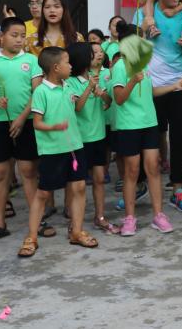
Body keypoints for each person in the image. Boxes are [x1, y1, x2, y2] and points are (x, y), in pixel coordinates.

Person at [18, 47, 97, 257]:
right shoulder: (41, 92)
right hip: (52, 150)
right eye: (67, 62)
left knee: (79, 187)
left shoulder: (68, 86)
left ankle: (77, 231)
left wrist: (89, 88)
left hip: (74, 146)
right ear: (55, 67)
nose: (71, 66)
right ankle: (31, 237)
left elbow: (77, 108)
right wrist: (54, 127)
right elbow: (37, 123)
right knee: (43, 193)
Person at [0, 17, 43, 244]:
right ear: (1, 37)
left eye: (22, 36)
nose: (19, 40)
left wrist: (22, 117)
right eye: (14, 35)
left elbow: (37, 93)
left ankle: (37, 222)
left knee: (28, 170)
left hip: (26, 122)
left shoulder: (31, 60)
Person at [111, 29, 174, 237]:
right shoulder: (120, 66)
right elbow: (119, 98)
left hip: (149, 123)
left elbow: (151, 91)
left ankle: (159, 215)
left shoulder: (144, 65)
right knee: (132, 171)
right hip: (129, 125)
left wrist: (174, 86)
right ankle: (129, 218)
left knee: (153, 167)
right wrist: (132, 81)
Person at [144, 0, 182, 211]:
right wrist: (145, 27)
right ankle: (142, 185)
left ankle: (178, 188)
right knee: (151, 137)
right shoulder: (146, 12)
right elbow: (136, 45)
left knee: (180, 137)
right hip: (153, 84)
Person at [65, 42, 117, 235]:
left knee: (99, 179)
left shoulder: (97, 77)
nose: (96, 56)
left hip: (98, 136)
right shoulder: (70, 82)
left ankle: (100, 217)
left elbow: (109, 102)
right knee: (77, 183)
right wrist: (89, 88)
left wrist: (102, 94)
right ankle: (74, 221)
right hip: (79, 139)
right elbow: (78, 107)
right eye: (91, 53)